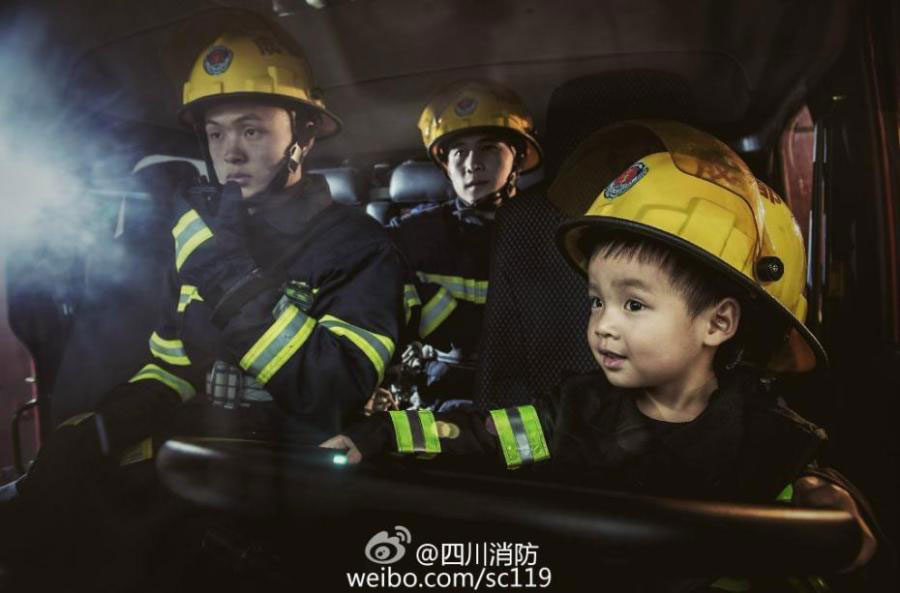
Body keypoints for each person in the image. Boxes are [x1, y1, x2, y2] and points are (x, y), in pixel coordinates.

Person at [323, 121, 879, 585]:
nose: (601, 326)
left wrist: (830, 505)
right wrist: (382, 434)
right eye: (595, 301)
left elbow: (818, 499)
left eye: (633, 305)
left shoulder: (764, 435)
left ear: (718, 323)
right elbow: (483, 435)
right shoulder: (571, 411)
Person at [3, 29, 410, 524]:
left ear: (303, 137)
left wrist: (228, 276)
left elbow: (333, 392)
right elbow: (173, 365)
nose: (229, 152)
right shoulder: (205, 235)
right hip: (201, 464)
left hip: (298, 480)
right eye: (216, 134)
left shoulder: (359, 246)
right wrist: (106, 426)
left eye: (251, 131)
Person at [385, 79, 542, 408]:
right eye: (459, 152)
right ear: (446, 165)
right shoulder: (412, 234)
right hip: (437, 395)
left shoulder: (545, 232)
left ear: (517, 157)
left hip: (523, 398)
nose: (472, 164)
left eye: (488, 148)